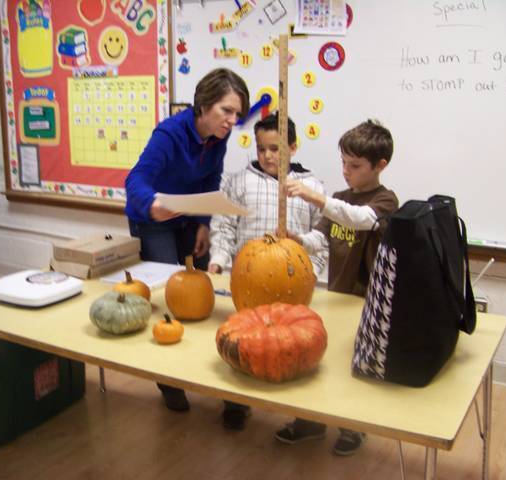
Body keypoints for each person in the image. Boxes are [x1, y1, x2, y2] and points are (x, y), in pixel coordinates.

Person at [125, 68, 250, 413]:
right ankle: (169, 381)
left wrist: (203, 223)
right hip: (154, 219)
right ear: (204, 104)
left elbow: (210, 177)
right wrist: (153, 205)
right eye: (226, 111)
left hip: (187, 216)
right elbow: (135, 178)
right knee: (169, 296)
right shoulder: (170, 134)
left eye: (237, 114)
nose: (232, 120)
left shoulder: (217, 137)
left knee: (200, 293)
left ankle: (214, 378)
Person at [276, 119, 399, 456]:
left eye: (355, 165)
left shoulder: (386, 201)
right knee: (319, 361)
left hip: (367, 302)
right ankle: (310, 423)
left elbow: (359, 219)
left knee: (354, 369)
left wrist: (316, 198)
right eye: (343, 162)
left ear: (380, 165)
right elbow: (321, 238)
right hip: (336, 295)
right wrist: (298, 239)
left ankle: (353, 428)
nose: (346, 171)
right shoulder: (340, 197)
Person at [207, 112, 328, 430]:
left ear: (294, 147)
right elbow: (224, 226)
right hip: (248, 284)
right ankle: (236, 403)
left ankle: (305, 419)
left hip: (294, 288)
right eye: (261, 149)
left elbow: (322, 239)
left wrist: (310, 273)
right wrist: (219, 260)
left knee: (292, 349)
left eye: (276, 149)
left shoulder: (312, 187)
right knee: (244, 345)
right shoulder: (238, 182)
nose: (267, 155)